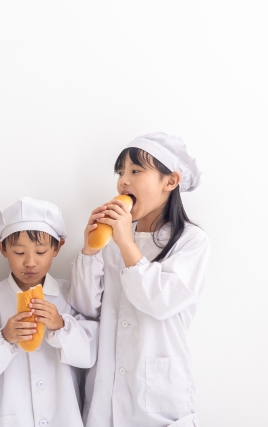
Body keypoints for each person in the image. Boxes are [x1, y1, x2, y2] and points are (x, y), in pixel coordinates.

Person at [70, 133, 210, 427]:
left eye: (135, 171)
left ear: (170, 181)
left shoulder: (192, 241)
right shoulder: (111, 240)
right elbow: (85, 306)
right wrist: (90, 250)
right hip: (106, 391)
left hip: (158, 398)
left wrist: (125, 241)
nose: (123, 181)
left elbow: (159, 302)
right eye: (121, 172)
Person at [0, 197, 98, 427]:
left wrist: (61, 326)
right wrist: (4, 338)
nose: (30, 262)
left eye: (41, 251)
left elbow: (89, 356)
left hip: (61, 417)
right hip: (9, 417)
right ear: (2, 248)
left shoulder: (70, 294)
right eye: (19, 252)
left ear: (57, 247)